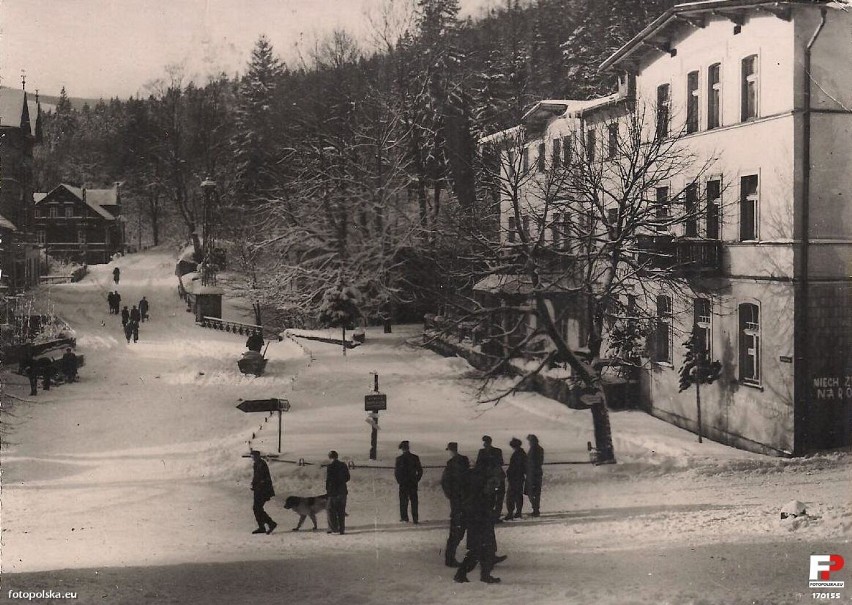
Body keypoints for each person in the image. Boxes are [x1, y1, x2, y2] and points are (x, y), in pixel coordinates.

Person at [453, 459, 505, 584]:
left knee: (481, 549)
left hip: (474, 517)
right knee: (481, 549)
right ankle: (467, 574)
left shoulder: (473, 477)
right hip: (480, 518)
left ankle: (478, 575)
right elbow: (486, 496)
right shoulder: (483, 480)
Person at [441, 442, 469, 567]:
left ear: (451, 450)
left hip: (457, 501)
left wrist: (450, 495)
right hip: (466, 500)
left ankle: (450, 558)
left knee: (456, 530)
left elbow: (445, 482)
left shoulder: (450, 464)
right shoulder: (464, 461)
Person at [476, 435, 506, 523]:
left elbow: (500, 462)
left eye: (485, 442)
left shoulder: (494, 451)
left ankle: (494, 516)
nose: (484, 444)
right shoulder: (485, 452)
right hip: (490, 478)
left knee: (497, 498)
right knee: (491, 498)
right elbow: (479, 465)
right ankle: (492, 516)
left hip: (495, 477)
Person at [395, 440, 423, 524]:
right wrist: (416, 479)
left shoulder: (399, 459)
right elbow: (420, 471)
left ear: (402, 449)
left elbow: (397, 473)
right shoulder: (415, 458)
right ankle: (415, 518)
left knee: (403, 501)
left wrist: (399, 481)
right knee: (414, 501)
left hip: (403, 483)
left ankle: (404, 518)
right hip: (412, 482)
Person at [250, 450, 277, 534]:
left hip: (263, 490)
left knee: (257, 508)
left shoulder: (261, 464)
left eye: (254, 456)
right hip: (258, 490)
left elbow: (262, 478)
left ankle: (270, 524)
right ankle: (263, 526)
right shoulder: (257, 464)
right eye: (252, 456)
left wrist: (257, 485)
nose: (253, 458)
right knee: (257, 508)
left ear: (258, 456)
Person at [325, 450, 350, 535]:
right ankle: (342, 529)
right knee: (341, 510)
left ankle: (333, 528)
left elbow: (329, 480)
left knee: (330, 509)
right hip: (343, 491)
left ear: (329, 457)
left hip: (333, 492)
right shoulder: (343, 465)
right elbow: (347, 477)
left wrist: (328, 490)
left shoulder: (330, 466)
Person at [504, 438, 527, 521]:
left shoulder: (518, 454)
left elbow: (515, 467)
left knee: (511, 496)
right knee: (517, 496)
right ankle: (518, 512)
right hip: (519, 478)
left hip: (515, 478)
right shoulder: (521, 453)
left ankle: (511, 513)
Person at [526, 434, 544, 517]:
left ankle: (535, 509)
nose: (529, 443)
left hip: (532, 474)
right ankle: (536, 509)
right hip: (537, 473)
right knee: (536, 492)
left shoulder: (533, 449)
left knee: (531, 492)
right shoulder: (540, 449)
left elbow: (531, 462)